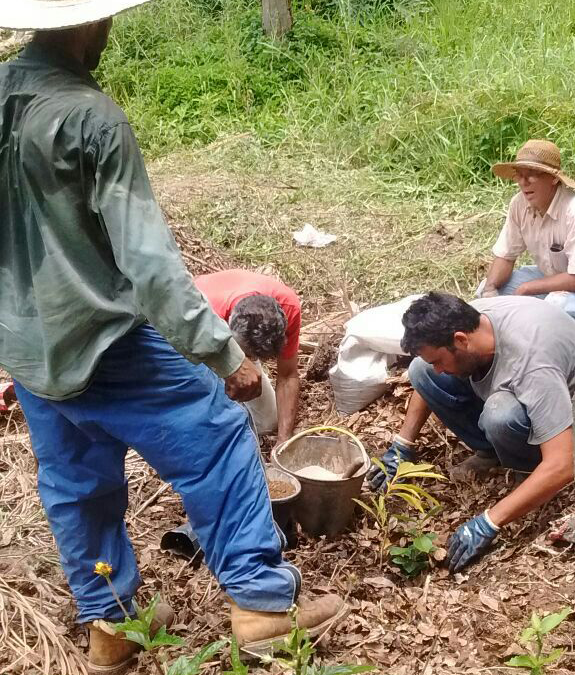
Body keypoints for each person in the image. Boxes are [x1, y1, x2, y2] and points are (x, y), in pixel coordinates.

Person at [0, 2, 345, 672]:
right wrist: (225, 355)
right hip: (103, 339)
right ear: (92, 25)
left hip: (27, 346)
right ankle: (264, 606)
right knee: (217, 432)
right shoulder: (90, 117)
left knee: (76, 483)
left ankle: (112, 625)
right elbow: (151, 265)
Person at [367, 292, 575, 573]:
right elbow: (431, 370)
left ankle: (527, 468)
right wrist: (402, 444)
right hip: (519, 389)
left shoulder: (531, 365)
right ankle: (492, 451)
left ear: (461, 340)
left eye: (439, 359)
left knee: (501, 414)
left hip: (561, 420)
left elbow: (563, 464)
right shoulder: (473, 321)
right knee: (420, 372)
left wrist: (490, 520)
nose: (438, 369)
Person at [477, 139, 575, 332]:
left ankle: (567, 351)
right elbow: (506, 256)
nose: (523, 183)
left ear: (554, 178)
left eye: (532, 175)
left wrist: (527, 288)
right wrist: (491, 290)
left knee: (559, 306)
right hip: (552, 277)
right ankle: (504, 343)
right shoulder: (519, 204)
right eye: (520, 176)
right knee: (486, 293)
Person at [195, 269, 301, 445]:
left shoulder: (289, 307)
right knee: (213, 422)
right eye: (247, 355)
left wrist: (284, 440)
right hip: (199, 339)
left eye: (254, 357)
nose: (250, 360)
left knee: (267, 423)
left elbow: (288, 375)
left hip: (236, 327)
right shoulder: (203, 314)